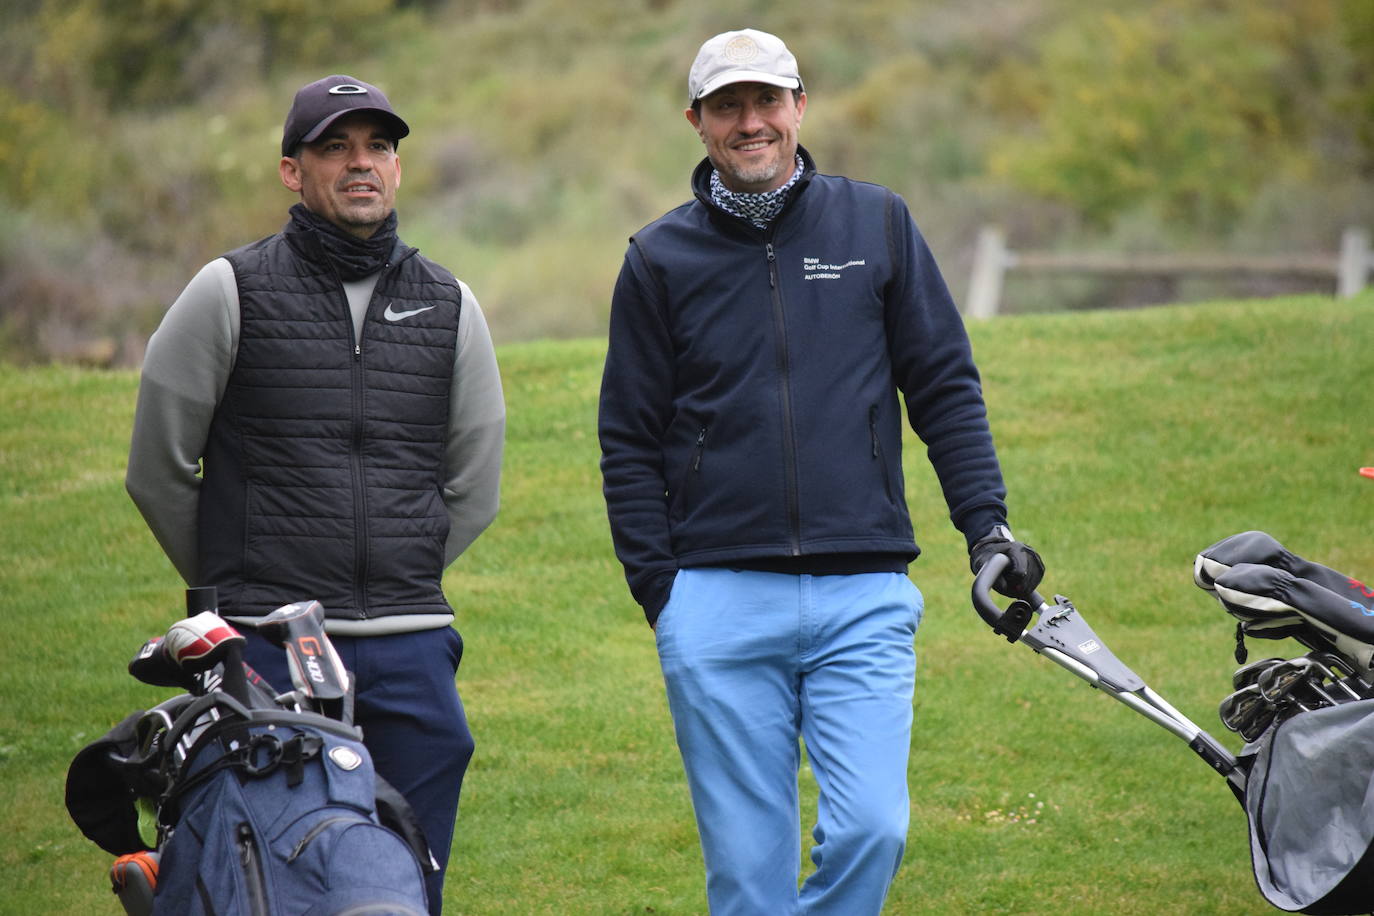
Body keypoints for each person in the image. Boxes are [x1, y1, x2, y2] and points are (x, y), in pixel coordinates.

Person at [597, 29, 1044, 915]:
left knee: (872, 829)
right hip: (717, 600)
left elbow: (944, 387)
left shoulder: (876, 222)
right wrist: (665, 593)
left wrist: (985, 528)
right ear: (697, 121)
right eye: (728, 106)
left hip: (863, 589)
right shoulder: (658, 259)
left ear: (801, 107)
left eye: (768, 101)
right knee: (748, 881)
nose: (750, 122)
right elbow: (628, 439)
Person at [125, 74, 505, 915]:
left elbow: (475, 485)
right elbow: (157, 468)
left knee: (407, 885)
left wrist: (401, 574)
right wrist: (243, 577)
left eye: (378, 147)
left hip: (413, 651)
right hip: (264, 644)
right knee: (267, 881)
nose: (360, 164)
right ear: (293, 171)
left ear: (398, 168)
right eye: (335, 147)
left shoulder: (451, 304)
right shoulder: (228, 291)